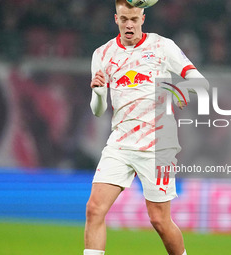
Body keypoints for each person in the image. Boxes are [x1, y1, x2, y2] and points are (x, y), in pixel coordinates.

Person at [84, 1, 209, 254]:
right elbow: (97, 110)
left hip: (157, 144)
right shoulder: (102, 54)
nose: (128, 25)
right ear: (115, 19)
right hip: (119, 143)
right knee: (94, 209)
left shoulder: (163, 47)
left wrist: (179, 90)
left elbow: (201, 83)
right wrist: (98, 93)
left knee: (159, 220)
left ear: (143, 18)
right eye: (123, 19)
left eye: (133, 19)